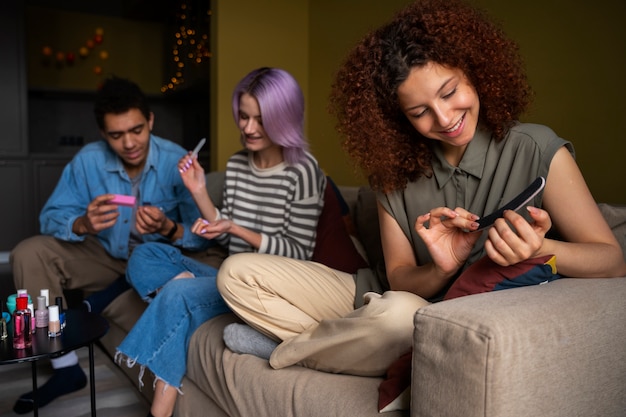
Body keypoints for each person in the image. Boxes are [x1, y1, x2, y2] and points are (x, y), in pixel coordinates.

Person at [216, 0, 626, 379]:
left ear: (475, 71)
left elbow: (612, 261)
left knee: (398, 318)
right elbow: (396, 280)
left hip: (418, 316)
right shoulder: (393, 173)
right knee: (236, 274)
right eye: (419, 112)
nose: (445, 118)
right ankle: (356, 346)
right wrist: (440, 268)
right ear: (398, 117)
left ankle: (287, 350)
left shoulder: (536, 149)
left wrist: (538, 249)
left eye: (449, 93)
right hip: (376, 296)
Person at [115, 67, 326, 417]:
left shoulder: (304, 171)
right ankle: (182, 290)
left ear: (284, 118)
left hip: (265, 288)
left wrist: (238, 230)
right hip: (227, 275)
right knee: (144, 255)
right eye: (243, 116)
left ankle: (160, 408)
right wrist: (198, 190)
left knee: (180, 292)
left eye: (261, 119)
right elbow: (220, 228)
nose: (248, 128)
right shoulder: (238, 164)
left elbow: (298, 252)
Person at [9, 76, 211, 414]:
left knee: (148, 264)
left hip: (154, 265)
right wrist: (81, 223)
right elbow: (50, 217)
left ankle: (112, 297)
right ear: (103, 134)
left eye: (136, 130)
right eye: (116, 135)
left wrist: (170, 228)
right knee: (28, 252)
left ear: (150, 121)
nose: (129, 143)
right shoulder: (88, 161)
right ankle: (65, 368)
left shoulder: (177, 162)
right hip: (105, 257)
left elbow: (203, 233)